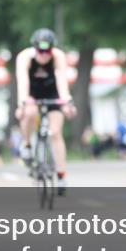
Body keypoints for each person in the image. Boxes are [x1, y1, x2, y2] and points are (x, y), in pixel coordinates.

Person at [15, 28, 77, 195]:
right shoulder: (24, 57)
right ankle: (27, 144)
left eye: (47, 50)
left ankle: (62, 176)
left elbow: (61, 79)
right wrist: (22, 103)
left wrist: (67, 101)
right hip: (32, 93)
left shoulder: (58, 56)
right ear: (34, 47)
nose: (44, 54)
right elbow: (23, 81)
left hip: (52, 92)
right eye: (40, 50)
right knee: (30, 112)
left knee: (56, 132)